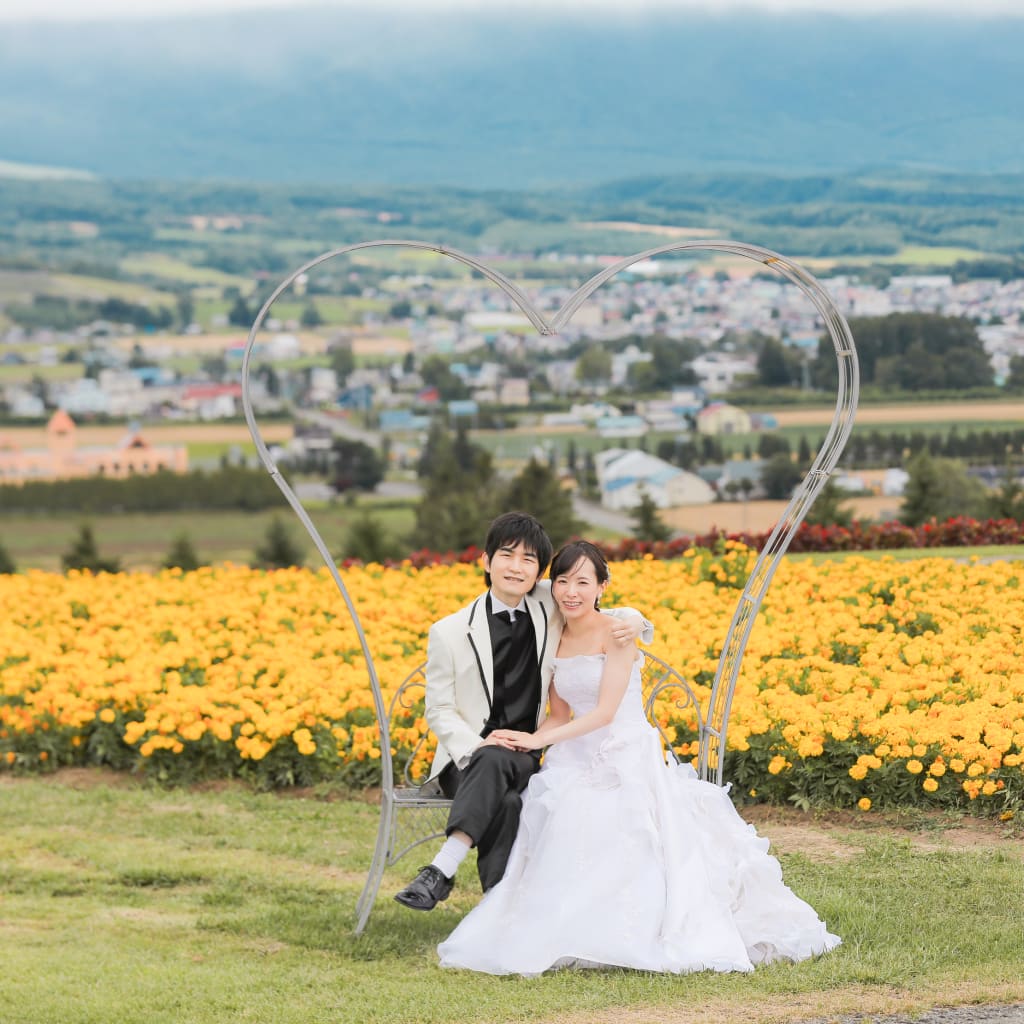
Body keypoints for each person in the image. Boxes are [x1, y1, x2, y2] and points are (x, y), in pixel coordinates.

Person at [437, 540, 841, 976]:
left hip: (623, 747)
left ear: (602, 587)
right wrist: (529, 737)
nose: (572, 592)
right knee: (555, 805)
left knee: (619, 819)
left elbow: (605, 713)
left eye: (583, 583)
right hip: (574, 751)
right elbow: (557, 714)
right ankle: (562, 923)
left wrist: (538, 744)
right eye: (564, 582)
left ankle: (632, 928)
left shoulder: (619, 631)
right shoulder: (554, 636)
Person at [394, 514, 653, 912]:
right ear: (486, 561)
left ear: (538, 573)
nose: (516, 567)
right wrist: (479, 745)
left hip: (529, 751)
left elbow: (596, 600)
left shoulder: (547, 603)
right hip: (469, 759)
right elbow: (440, 709)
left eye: (529, 560)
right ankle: (494, 903)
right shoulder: (449, 631)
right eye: (507, 555)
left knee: (511, 788)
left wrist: (634, 619)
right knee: (505, 789)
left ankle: (453, 879)